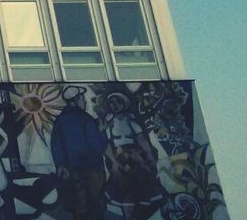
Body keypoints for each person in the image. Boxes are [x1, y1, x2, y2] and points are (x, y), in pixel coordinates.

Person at [100, 94, 164, 219]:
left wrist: (149, 156)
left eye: (117, 102)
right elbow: (106, 144)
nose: (115, 105)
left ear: (124, 104)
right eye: (112, 103)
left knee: (142, 191)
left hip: (136, 160)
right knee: (125, 194)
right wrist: (113, 162)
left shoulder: (131, 121)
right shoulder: (108, 123)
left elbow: (142, 140)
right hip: (120, 161)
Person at [49, 87, 106, 220]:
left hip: (72, 169)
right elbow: (98, 147)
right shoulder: (86, 119)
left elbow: (56, 146)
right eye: (82, 98)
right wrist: (102, 131)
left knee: (79, 205)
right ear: (76, 100)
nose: (84, 101)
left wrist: (61, 165)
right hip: (92, 169)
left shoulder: (59, 121)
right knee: (95, 204)